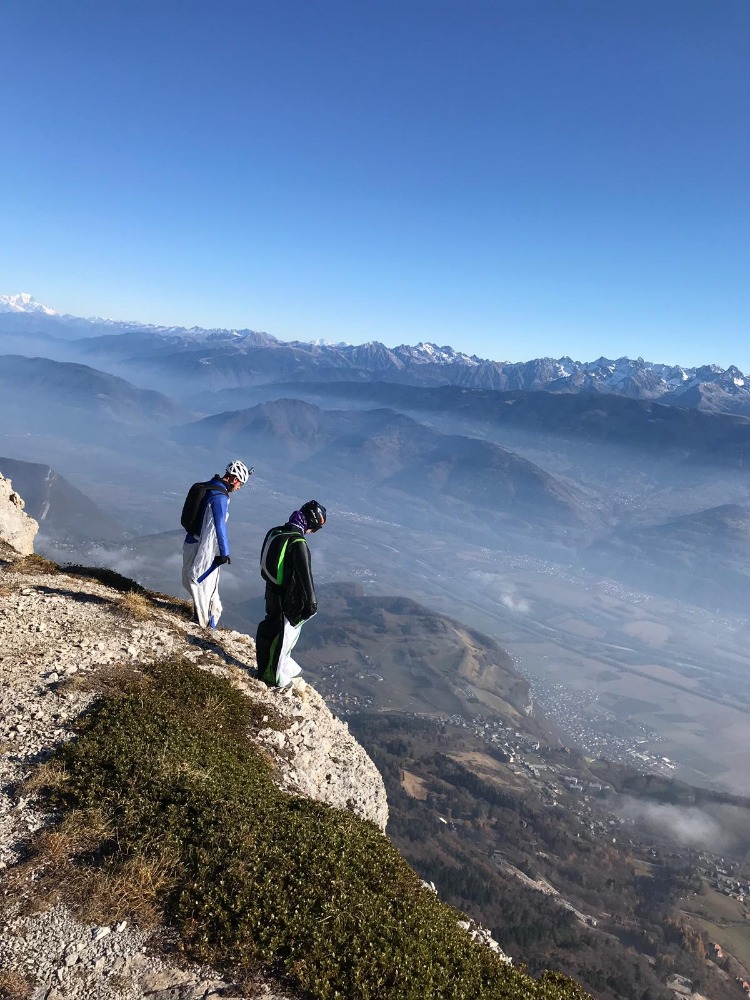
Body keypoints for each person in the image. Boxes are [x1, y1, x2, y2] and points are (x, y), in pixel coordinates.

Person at [256, 499, 326, 687]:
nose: (312, 532)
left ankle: (265, 668)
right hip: (286, 598)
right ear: (312, 522)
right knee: (283, 635)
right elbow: (305, 576)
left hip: (270, 591)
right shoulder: (298, 542)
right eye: (315, 528)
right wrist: (312, 604)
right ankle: (275, 678)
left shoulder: (275, 531)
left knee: (270, 627)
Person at [182, 460, 252, 629]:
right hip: (203, 546)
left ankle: (199, 615)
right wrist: (224, 552)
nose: (239, 488)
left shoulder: (209, 487)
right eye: (241, 484)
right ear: (235, 479)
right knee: (204, 583)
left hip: (190, 540)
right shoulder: (219, 497)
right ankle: (205, 623)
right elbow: (220, 524)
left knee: (193, 579)